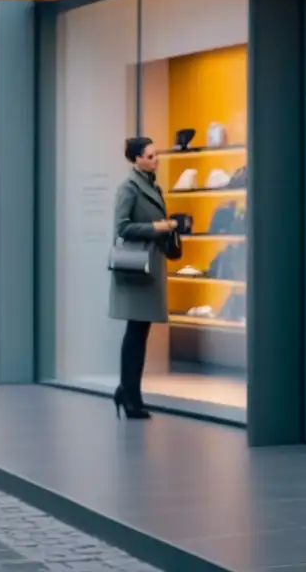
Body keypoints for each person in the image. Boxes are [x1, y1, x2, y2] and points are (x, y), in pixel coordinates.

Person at [108, 136, 179, 420]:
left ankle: (129, 392)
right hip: (137, 271)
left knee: (139, 333)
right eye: (149, 156)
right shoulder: (129, 188)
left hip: (148, 269)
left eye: (155, 155)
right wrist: (157, 226)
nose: (155, 159)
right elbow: (122, 227)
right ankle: (129, 394)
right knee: (135, 334)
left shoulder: (152, 186)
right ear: (135, 159)